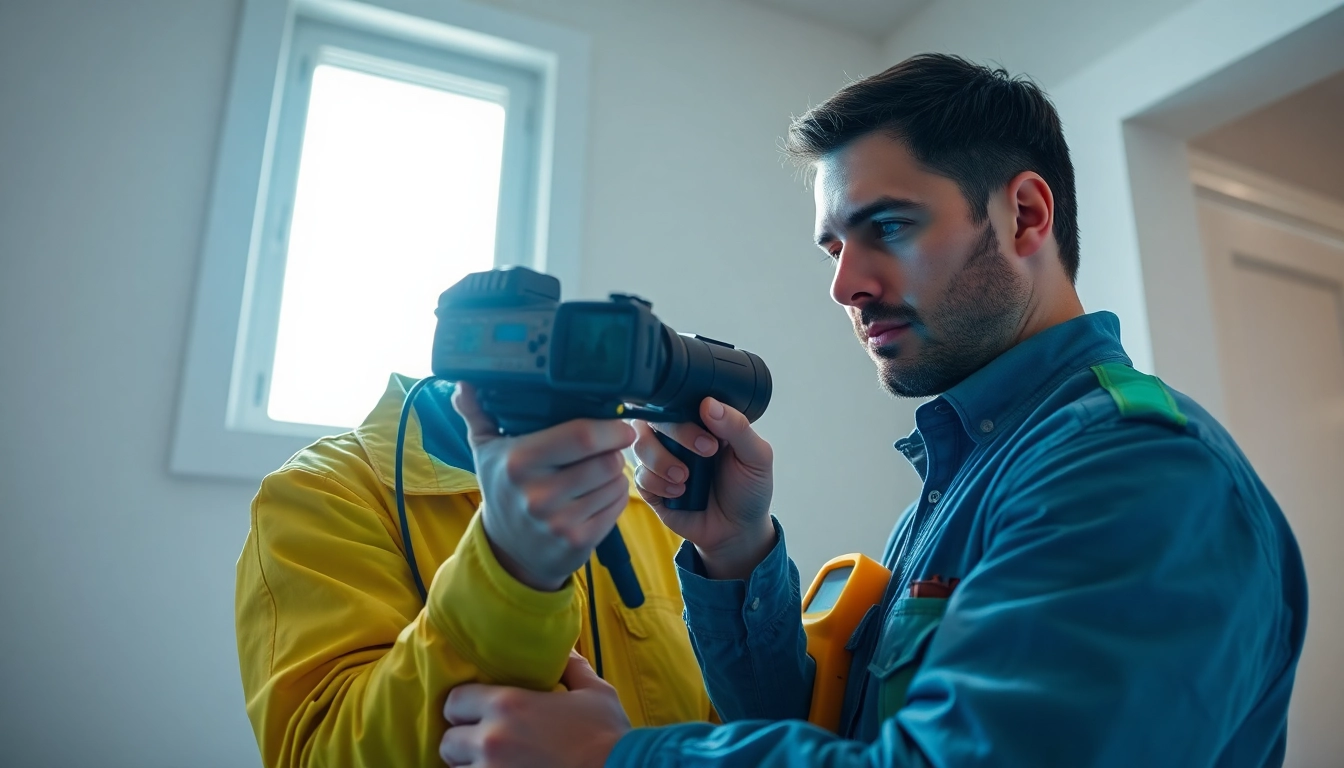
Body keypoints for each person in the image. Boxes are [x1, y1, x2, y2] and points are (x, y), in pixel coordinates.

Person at [435, 54, 1308, 767]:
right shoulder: (975, 467)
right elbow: (841, 739)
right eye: (833, 244)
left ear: (1026, 215)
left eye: (886, 227)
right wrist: (734, 554)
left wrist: (618, 761)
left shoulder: (1136, 470)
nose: (845, 284)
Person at [234, 373, 713, 768]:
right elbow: (322, 756)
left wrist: (739, 566)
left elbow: (725, 729)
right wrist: (506, 569)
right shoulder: (321, 494)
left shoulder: (648, 503)